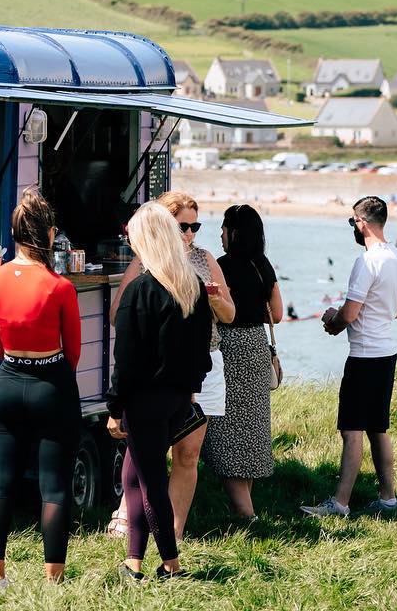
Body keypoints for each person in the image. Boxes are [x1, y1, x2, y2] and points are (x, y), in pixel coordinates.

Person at [107, 191, 234, 543]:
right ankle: (132, 518)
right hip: (159, 371)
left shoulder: (205, 260)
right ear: (165, 225)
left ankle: (174, 531)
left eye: (195, 226)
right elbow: (117, 314)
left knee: (188, 454)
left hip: (202, 366)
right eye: (183, 226)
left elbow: (230, 314)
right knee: (147, 450)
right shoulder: (145, 263)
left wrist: (213, 298)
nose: (190, 234)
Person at [0, 189, 81, 590]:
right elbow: (72, 349)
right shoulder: (59, 287)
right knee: (53, 485)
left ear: (14, 232)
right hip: (51, 381)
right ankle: (54, 582)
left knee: (1, 481)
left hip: (8, 379)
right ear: (50, 234)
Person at [302, 196, 397, 517]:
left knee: (352, 430)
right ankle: (388, 498)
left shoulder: (367, 261)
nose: (353, 227)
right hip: (386, 352)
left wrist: (332, 319)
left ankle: (340, 503)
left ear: (361, 223)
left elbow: (349, 314)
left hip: (363, 356)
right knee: (378, 428)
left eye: (353, 222)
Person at [204, 204, 284, 517]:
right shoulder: (263, 265)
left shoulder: (220, 266)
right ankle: (245, 510)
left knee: (225, 434)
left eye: (224, 227)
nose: (220, 233)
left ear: (234, 231)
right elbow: (276, 314)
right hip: (256, 346)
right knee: (249, 432)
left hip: (229, 349)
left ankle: (248, 517)